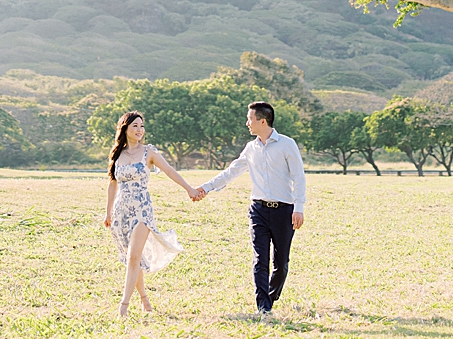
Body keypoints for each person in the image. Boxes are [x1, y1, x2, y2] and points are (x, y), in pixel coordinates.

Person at [191, 101, 306, 316]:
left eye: (250, 119)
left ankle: (270, 297)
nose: (247, 123)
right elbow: (231, 172)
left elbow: (298, 177)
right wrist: (206, 188)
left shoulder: (287, 144)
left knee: (280, 264)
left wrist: (298, 207)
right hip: (258, 210)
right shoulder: (250, 148)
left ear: (263, 121)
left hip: (284, 211)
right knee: (260, 259)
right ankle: (263, 307)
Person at [104, 110, 202, 317]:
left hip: (142, 209)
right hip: (121, 211)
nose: (140, 130)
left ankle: (123, 307)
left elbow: (169, 171)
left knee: (134, 257)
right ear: (125, 129)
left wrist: (189, 189)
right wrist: (108, 213)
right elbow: (112, 184)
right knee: (133, 259)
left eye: (142, 126)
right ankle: (145, 300)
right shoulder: (117, 154)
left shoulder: (149, 152)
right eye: (135, 126)